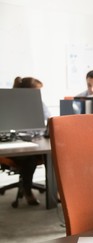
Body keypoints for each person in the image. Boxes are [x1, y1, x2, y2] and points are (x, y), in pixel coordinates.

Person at [11, 76, 50, 205]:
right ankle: (27, 191)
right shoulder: (11, 105)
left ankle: (54, 191)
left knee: (52, 157)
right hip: (17, 146)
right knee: (30, 159)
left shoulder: (39, 103)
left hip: (37, 143)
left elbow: (49, 120)